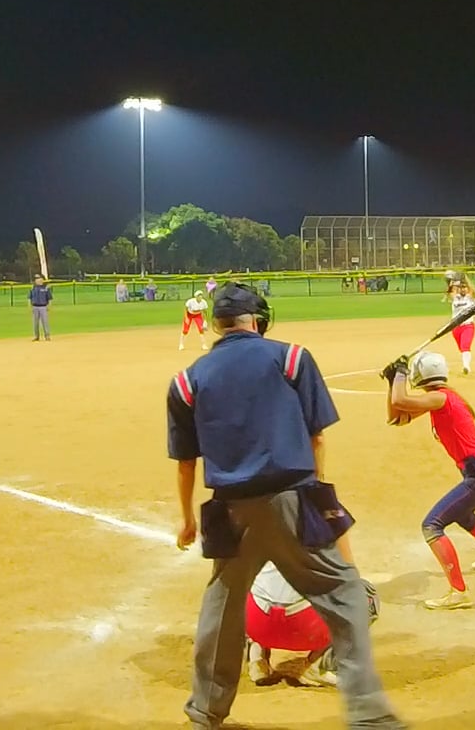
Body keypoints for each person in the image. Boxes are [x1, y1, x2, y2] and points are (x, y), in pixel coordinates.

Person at [168, 283, 402, 730]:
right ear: (258, 320)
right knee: (347, 595)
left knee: (221, 609)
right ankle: (370, 715)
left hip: (229, 510)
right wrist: (315, 494)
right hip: (290, 497)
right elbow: (317, 436)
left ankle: (204, 714)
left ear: (216, 324)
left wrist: (185, 519)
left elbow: (185, 462)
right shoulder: (291, 358)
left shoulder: (187, 380)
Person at [386, 351, 475, 610]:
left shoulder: (440, 398)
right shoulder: (441, 399)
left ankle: (458, 592)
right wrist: (392, 381)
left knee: (431, 525)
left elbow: (401, 399)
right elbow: (397, 416)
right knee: (463, 514)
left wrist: (400, 374)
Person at [245, 559, 379, 688]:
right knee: (365, 593)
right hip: (305, 627)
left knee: (246, 577)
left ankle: (257, 656)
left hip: (257, 625)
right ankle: (319, 665)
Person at [443, 270, 475, 374]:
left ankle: (466, 367)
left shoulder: (470, 298)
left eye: (465, 287)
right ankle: (466, 363)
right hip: (455, 327)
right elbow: (449, 290)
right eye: (461, 287)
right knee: (461, 348)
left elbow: (472, 290)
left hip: (468, 326)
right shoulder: (455, 297)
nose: (463, 289)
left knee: (465, 346)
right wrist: (452, 281)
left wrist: (465, 278)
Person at [28, 276, 54, 341]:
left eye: (41, 280)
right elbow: (29, 298)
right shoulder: (33, 288)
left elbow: (50, 298)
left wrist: (49, 306)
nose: (40, 281)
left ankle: (47, 336)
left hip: (43, 306)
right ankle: (36, 336)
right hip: (35, 306)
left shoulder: (46, 288)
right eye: (38, 280)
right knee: (35, 322)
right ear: (36, 281)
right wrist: (30, 306)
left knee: (45, 322)